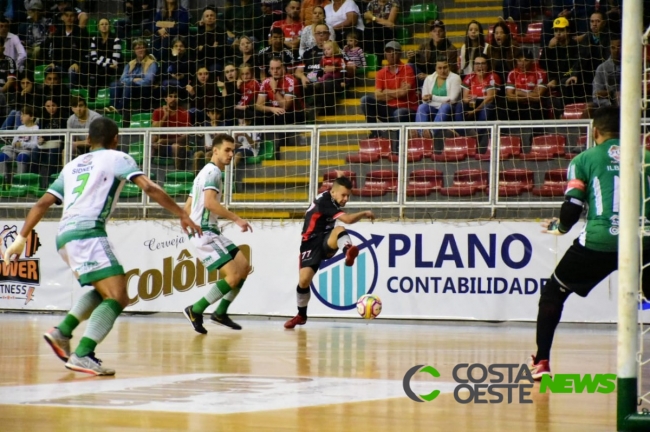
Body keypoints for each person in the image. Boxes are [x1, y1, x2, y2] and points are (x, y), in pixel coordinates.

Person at [3, 117, 201, 376]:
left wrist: (21, 239)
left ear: (87, 140)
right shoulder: (118, 157)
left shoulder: (72, 165)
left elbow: (41, 204)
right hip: (88, 232)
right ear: (116, 139)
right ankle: (83, 353)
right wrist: (182, 213)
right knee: (118, 296)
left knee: (104, 289)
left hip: (64, 236)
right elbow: (149, 188)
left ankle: (62, 332)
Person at [530, 106, 650, 379]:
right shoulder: (646, 157)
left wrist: (560, 227)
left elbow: (572, 206)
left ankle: (542, 362)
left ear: (595, 131)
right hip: (643, 241)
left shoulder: (584, 159)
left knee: (553, 294)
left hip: (599, 241)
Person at [183, 133, 253, 334]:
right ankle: (195, 310)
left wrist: (186, 221)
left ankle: (220, 313)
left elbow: (188, 204)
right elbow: (209, 203)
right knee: (232, 277)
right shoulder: (213, 173)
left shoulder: (204, 172)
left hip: (209, 229)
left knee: (243, 267)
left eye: (233, 150)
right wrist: (236, 219)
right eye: (227, 150)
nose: (231, 154)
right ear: (215, 150)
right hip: (204, 231)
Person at [284, 175, 375, 328]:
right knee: (304, 281)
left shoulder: (332, 196)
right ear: (333, 192)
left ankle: (347, 251)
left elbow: (342, 220)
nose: (346, 199)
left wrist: (339, 175)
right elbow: (348, 219)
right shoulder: (325, 202)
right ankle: (301, 315)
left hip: (326, 240)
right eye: (344, 195)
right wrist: (364, 213)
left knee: (338, 229)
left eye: (348, 196)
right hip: (310, 242)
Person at [360, 41, 417, 136]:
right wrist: (397, 92)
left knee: (399, 113)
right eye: (388, 52)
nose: (391, 54)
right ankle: (375, 133)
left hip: (406, 109)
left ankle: (397, 146)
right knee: (365, 100)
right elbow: (377, 96)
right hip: (388, 109)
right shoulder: (381, 73)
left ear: (399, 53)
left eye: (394, 52)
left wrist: (386, 92)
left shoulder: (408, 69)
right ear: (385, 54)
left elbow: (403, 93)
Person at [415, 58, 461, 139]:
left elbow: (452, 99)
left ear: (449, 67)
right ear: (435, 68)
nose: (442, 71)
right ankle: (422, 133)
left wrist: (432, 97)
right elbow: (424, 99)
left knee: (445, 106)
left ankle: (432, 132)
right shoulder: (429, 79)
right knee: (421, 107)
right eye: (439, 68)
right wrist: (433, 99)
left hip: (450, 109)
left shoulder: (455, 78)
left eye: (445, 67)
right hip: (433, 108)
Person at [152, 88, 192, 170]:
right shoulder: (158, 112)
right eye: (170, 96)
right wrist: (165, 116)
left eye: (175, 96)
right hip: (160, 146)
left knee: (175, 146)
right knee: (151, 141)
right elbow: (154, 129)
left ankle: (177, 174)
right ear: (166, 99)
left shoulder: (184, 113)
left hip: (178, 146)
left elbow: (186, 136)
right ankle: (146, 172)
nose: (173, 99)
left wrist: (167, 141)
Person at [0, 105, 38, 175]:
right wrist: (15, 144)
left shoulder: (36, 128)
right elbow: (14, 141)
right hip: (15, 150)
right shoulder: (20, 128)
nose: (21, 117)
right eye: (21, 114)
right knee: (2, 157)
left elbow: (35, 144)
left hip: (26, 150)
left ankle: (20, 179)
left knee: (21, 157)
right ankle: (3, 179)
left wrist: (22, 144)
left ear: (32, 117)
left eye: (24, 115)